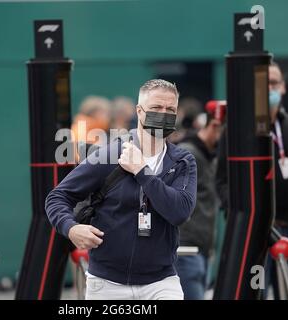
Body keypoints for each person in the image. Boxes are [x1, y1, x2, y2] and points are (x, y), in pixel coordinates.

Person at [45, 79, 197, 300]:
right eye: (156, 108)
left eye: (170, 109)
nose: (163, 114)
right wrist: (71, 229)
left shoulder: (182, 161)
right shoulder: (109, 154)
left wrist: (142, 171)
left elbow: (180, 212)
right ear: (139, 111)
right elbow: (58, 197)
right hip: (106, 284)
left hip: (161, 282)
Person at [216, 62, 288, 300]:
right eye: (264, 84)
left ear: (283, 87)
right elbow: (222, 180)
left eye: (274, 83)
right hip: (254, 231)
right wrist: (239, 215)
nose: (270, 88)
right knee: (255, 293)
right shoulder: (237, 129)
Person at [176, 100, 226, 300]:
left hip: (202, 249)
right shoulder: (189, 154)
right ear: (214, 126)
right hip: (187, 248)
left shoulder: (210, 155)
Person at [71, 96, 111, 162]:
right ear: (94, 113)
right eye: (105, 113)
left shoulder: (99, 130)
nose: (108, 118)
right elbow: (80, 158)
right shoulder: (80, 129)